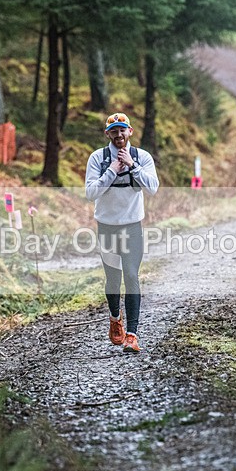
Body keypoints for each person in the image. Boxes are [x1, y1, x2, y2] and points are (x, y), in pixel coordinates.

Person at [85, 113, 159, 353]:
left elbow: (153, 189)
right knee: (114, 279)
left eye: (122, 130)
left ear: (130, 132)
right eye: (114, 131)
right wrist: (112, 170)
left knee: (131, 275)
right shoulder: (97, 158)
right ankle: (115, 318)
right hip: (106, 226)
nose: (119, 135)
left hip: (132, 226)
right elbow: (90, 192)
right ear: (108, 134)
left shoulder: (142, 157)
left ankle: (132, 335)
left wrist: (132, 165)